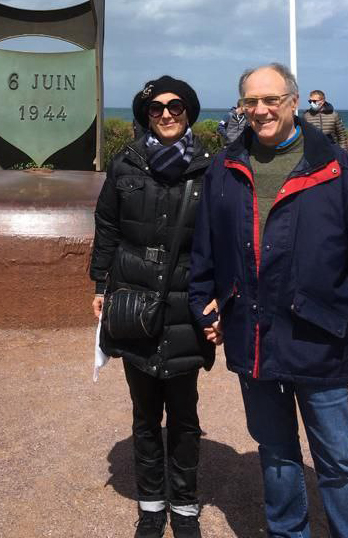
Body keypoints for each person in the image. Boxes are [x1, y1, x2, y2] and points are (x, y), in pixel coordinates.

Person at [188, 63, 348, 538]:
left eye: (272, 100)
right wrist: (203, 303)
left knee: (338, 459)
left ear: (294, 102)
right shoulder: (225, 167)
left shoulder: (340, 168)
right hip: (252, 335)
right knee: (276, 452)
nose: (261, 110)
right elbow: (205, 246)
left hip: (318, 336)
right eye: (251, 101)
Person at [90, 75, 215, 538]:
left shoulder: (209, 168)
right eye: (156, 108)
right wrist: (99, 283)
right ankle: (151, 506)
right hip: (134, 296)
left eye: (175, 106)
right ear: (146, 115)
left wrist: (221, 297)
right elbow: (107, 224)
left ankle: (184, 507)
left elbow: (221, 238)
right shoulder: (125, 164)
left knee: (184, 417)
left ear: (188, 112)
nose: (165, 114)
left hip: (185, 301)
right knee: (145, 416)